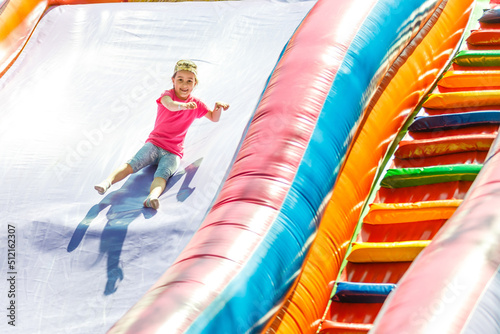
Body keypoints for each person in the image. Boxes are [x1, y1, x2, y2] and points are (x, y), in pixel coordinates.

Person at [94, 59, 229, 210]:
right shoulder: (167, 95)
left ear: (195, 83)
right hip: (155, 144)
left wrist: (218, 108)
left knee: (162, 175)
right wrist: (184, 106)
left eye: (189, 81)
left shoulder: (196, 104)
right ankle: (107, 182)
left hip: (173, 151)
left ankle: (152, 198)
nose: (184, 85)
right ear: (173, 80)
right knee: (132, 164)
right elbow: (170, 106)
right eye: (180, 80)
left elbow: (213, 118)